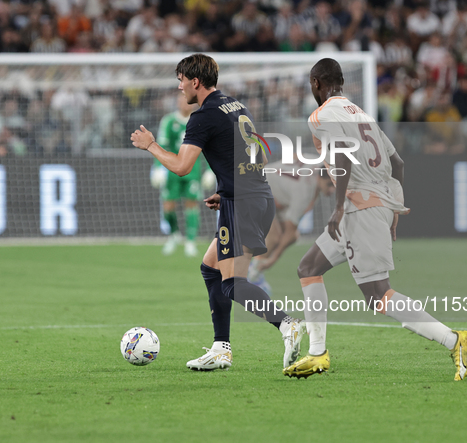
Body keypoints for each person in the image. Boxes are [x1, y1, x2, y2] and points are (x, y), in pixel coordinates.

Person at [283, 58, 467, 381]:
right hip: (375, 206)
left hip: (359, 209)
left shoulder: (321, 116)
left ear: (316, 84)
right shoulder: (365, 116)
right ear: (342, 82)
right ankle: (317, 354)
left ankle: (454, 340)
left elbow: (341, 152)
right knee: (309, 268)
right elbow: (397, 163)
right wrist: (394, 209)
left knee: (379, 296)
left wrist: (339, 206)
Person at [131, 53, 305, 371]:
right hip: (250, 199)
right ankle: (221, 349)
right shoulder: (235, 105)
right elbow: (261, 156)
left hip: (243, 205)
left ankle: (287, 324)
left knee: (231, 283)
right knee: (211, 269)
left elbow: (183, 167)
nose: (180, 87)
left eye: (182, 80)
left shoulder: (202, 116)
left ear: (195, 81)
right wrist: (226, 191)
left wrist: (151, 146)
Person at [248, 161, 334, 293]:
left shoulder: (319, 164)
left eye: (334, 185)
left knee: (293, 237)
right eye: (329, 185)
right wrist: (274, 259)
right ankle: (252, 276)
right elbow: (289, 231)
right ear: (319, 178)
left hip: (269, 191)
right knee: (274, 237)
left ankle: (253, 271)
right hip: (255, 187)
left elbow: (295, 156)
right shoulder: (304, 194)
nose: (332, 190)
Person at [151, 94, 215, 257]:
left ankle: (190, 242)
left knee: (191, 205)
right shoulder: (169, 121)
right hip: (172, 170)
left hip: (192, 171)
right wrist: (158, 168)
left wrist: (209, 170)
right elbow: (162, 145)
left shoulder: (202, 121)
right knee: (168, 206)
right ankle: (174, 235)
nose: (185, 104)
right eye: (181, 101)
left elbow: (208, 148)